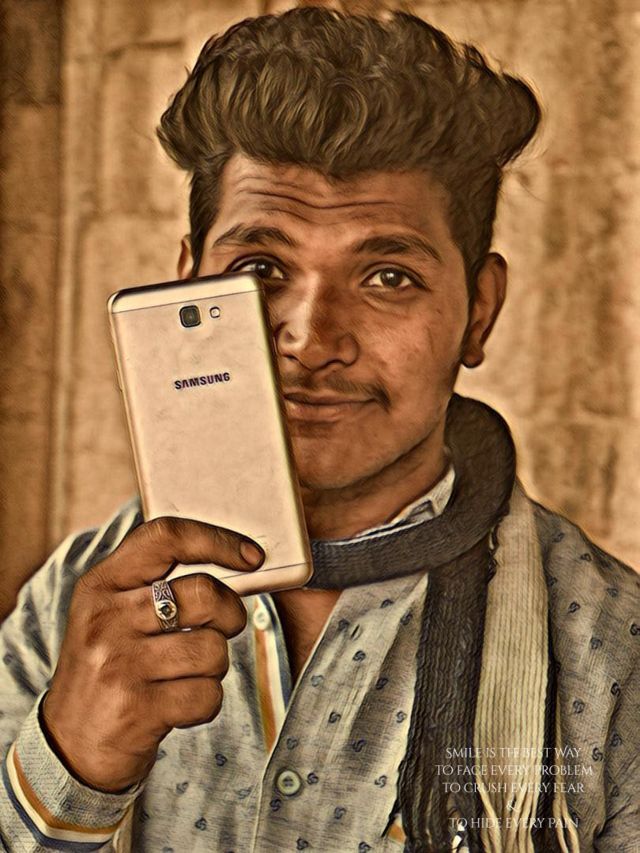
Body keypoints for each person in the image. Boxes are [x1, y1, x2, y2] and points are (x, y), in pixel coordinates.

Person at [0, 8, 638, 853]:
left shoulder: (612, 655)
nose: (311, 338)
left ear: (479, 312)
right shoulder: (72, 608)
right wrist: (69, 770)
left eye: (387, 275)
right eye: (261, 268)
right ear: (187, 283)